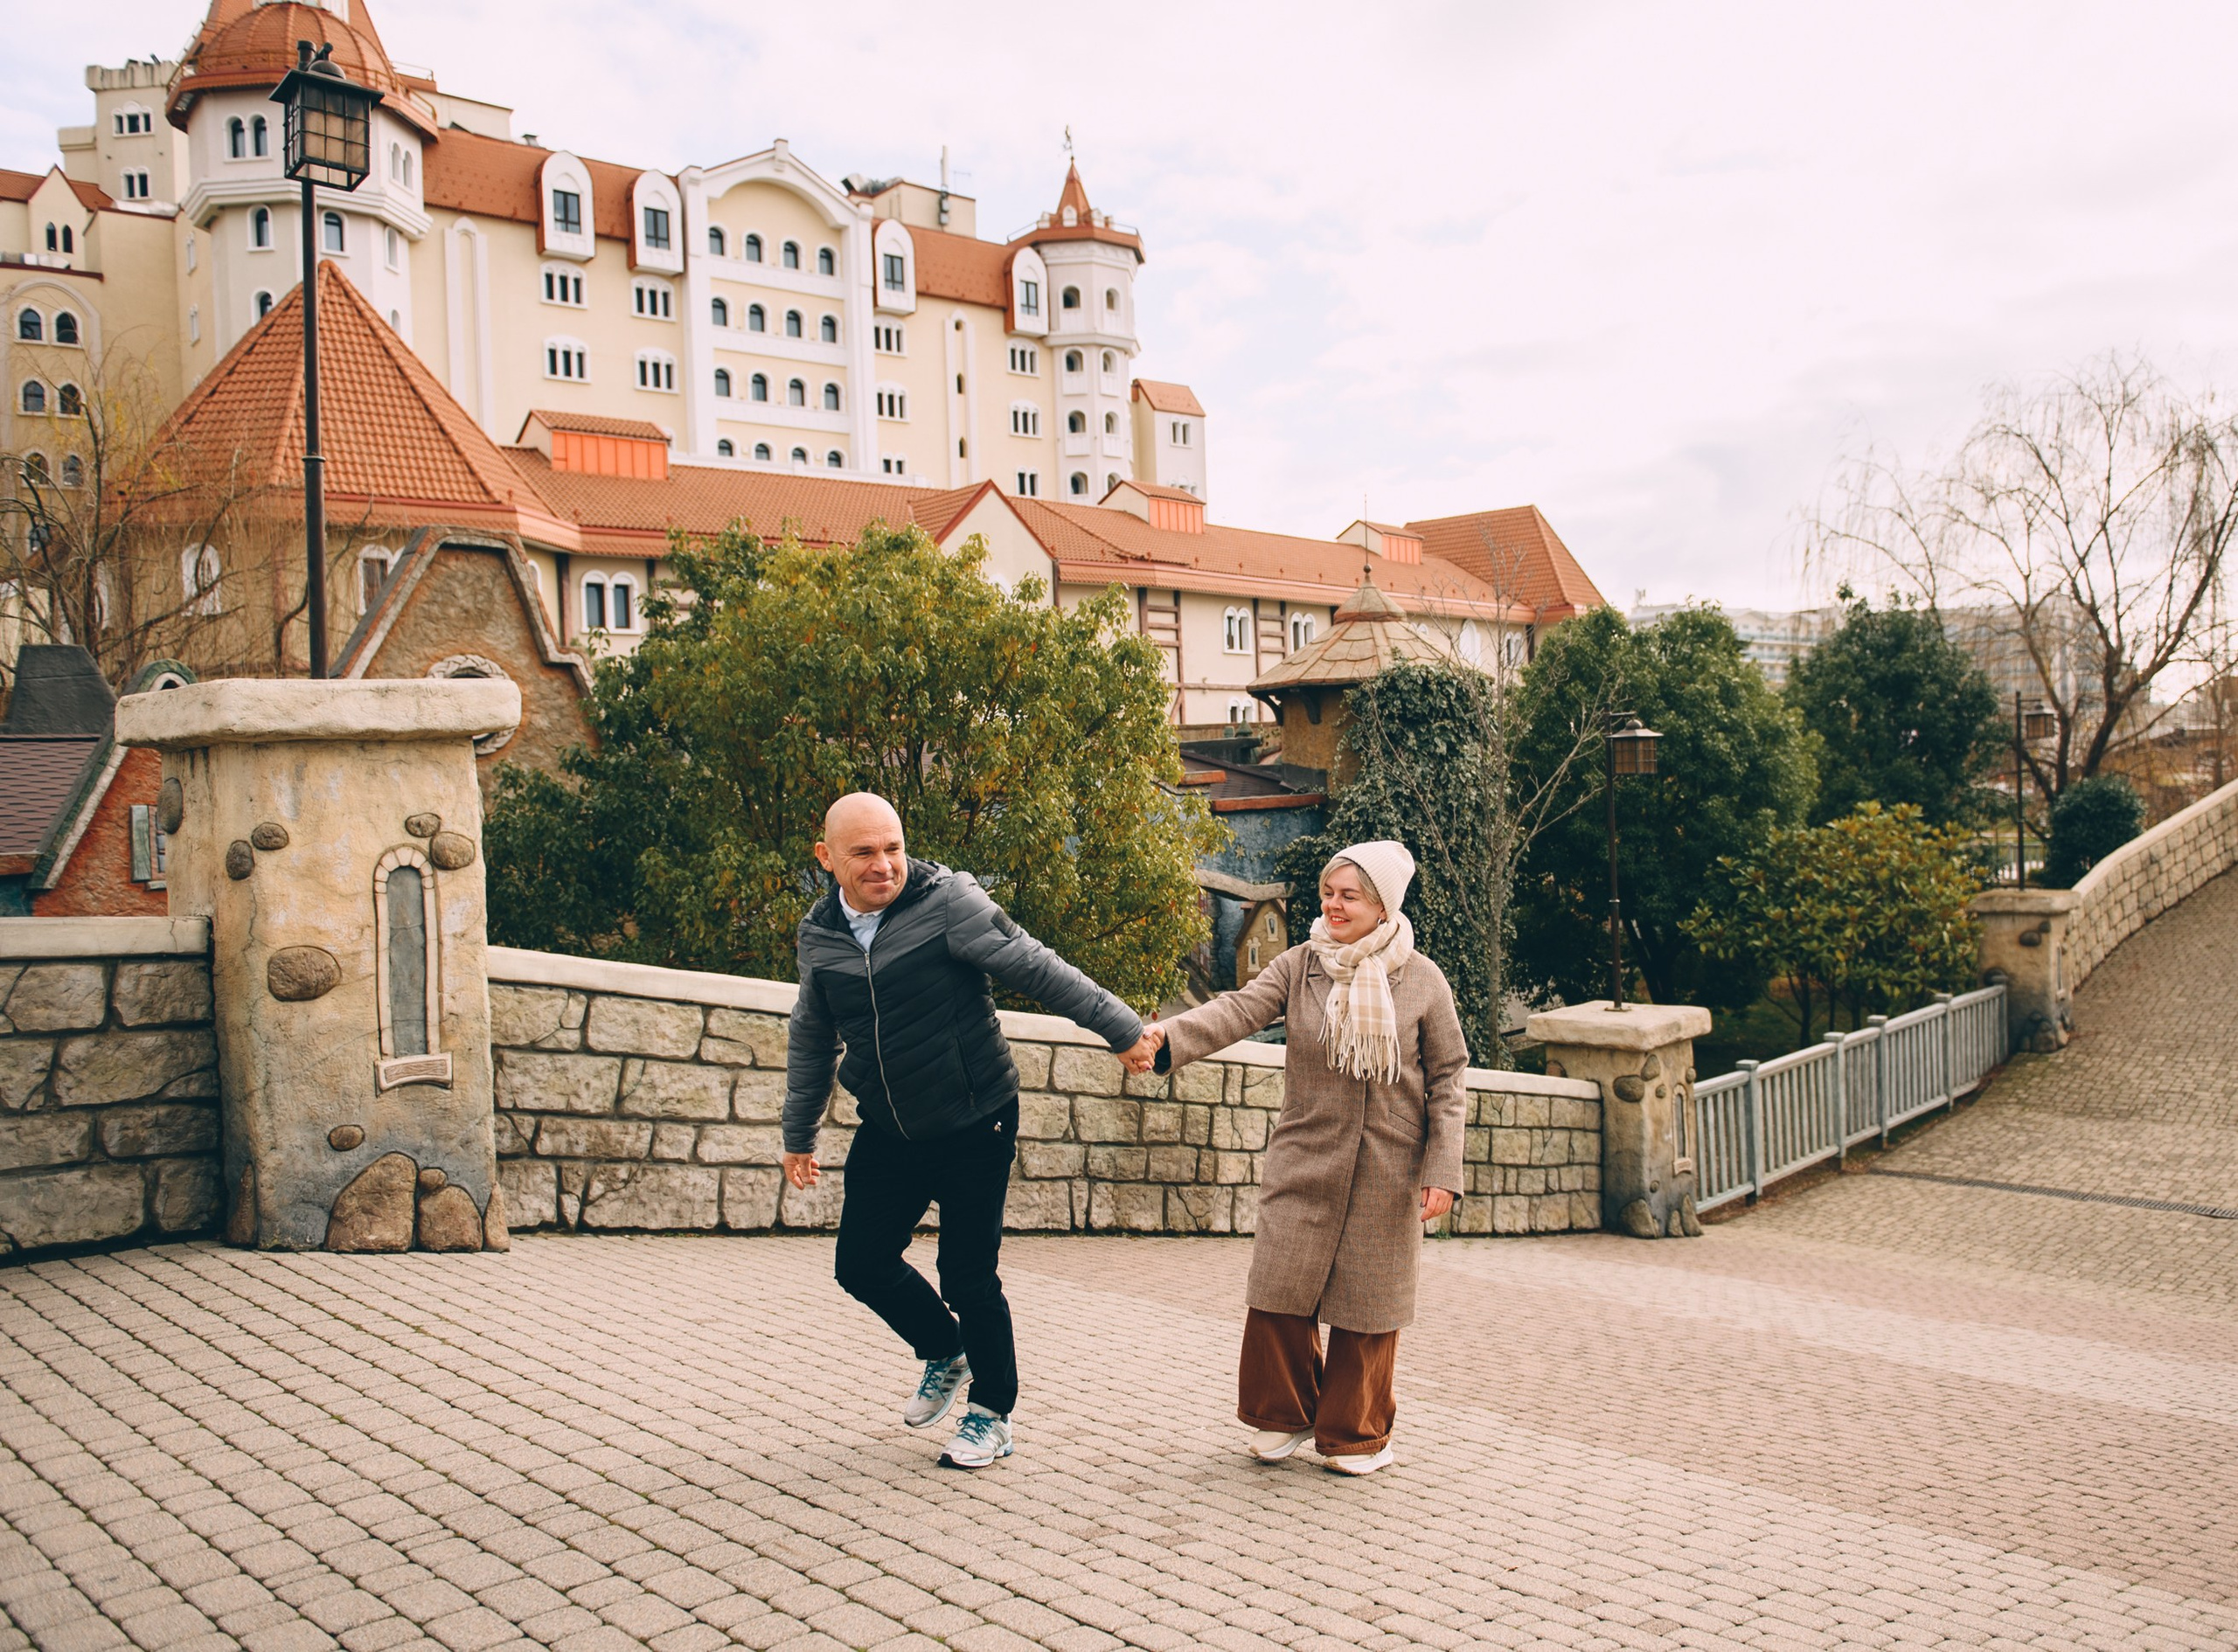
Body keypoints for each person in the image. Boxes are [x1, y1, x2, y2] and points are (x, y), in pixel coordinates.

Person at [784, 793, 1159, 1470]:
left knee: (967, 1274)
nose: (883, 865)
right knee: (861, 1264)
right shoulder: (820, 935)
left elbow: (1040, 968)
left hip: (975, 1117)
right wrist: (798, 1133)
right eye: (864, 853)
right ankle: (944, 1349)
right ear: (827, 858)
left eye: (893, 848)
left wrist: (1123, 1029)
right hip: (891, 1124)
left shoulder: (948, 904)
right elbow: (813, 1036)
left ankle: (992, 1414)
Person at [1142, 840, 1464, 1475]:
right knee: (1279, 1289)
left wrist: (1443, 1169)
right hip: (1305, 1152)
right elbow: (1237, 1010)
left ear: (1383, 905)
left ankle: (1356, 1433)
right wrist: (1165, 1039)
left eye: (1350, 896)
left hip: (1389, 1164)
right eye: (1328, 893)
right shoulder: (1299, 965)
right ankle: (1282, 1414)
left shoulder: (1423, 979)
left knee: (1370, 1303)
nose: (1333, 905)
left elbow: (1449, 1078)